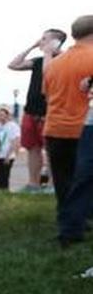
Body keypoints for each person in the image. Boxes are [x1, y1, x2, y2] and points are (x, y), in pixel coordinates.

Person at [44, 15, 93, 244]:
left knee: (63, 181)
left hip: (55, 127)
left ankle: (68, 225)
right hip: (83, 127)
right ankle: (79, 222)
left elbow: (47, 94)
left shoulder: (55, 63)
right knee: (83, 180)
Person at [9, 28, 67, 192]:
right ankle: (33, 183)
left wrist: (50, 53)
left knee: (51, 150)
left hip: (50, 112)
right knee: (32, 148)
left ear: (56, 42)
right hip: (31, 111)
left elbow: (48, 75)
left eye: (45, 39)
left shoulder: (64, 59)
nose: (41, 42)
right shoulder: (38, 60)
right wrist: (32, 47)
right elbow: (13, 64)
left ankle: (52, 185)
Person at [0, 104, 20, 190]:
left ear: (7, 115)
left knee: (4, 176)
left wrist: (8, 155)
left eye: (2, 115)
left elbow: (15, 140)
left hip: (7, 156)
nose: (0, 117)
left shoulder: (12, 126)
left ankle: (5, 192)